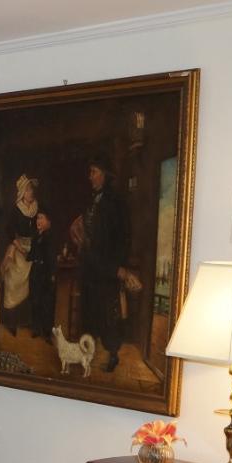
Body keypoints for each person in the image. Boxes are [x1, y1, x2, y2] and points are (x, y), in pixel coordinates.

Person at [77, 156, 130, 372]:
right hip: (90, 266)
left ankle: (112, 355)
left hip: (108, 267)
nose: (90, 176)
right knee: (90, 310)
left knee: (109, 314)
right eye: (89, 172)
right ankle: (89, 354)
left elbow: (123, 237)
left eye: (94, 171)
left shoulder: (115, 202)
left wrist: (117, 266)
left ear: (104, 174)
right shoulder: (91, 201)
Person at [0, 174, 38, 334]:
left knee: (30, 285)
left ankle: (25, 320)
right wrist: (18, 246)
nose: (31, 192)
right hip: (18, 249)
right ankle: (11, 322)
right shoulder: (16, 209)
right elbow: (9, 229)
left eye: (31, 190)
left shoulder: (36, 207)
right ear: (22, 192)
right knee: (13, 284)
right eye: (28, 189)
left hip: (32, 250)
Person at [28, 210, 56, 339]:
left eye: (41, 218)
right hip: (35, 270)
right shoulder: (35, 236)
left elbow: (51, 258)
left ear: (48, 221)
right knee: (35, 300)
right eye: (37, 218)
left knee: (46, 302)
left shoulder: (50, 236)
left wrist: (52, 274)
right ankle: (36, 328)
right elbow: (32, 254)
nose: (38, 221)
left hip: (45, 272)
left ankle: (46, 331)